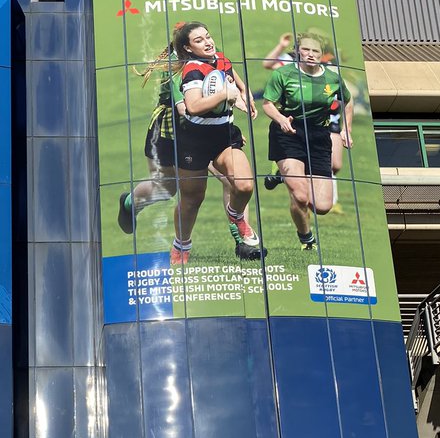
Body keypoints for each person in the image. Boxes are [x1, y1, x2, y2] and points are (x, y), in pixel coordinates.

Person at [116, 22, 264, 266]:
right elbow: (186, 108)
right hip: (173, 129)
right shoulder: (178, 69)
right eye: (198, 39)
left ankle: (242, 242)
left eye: (207, 36)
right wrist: (220, 105)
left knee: (233, 181)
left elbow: (234, 80)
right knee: (168, 189)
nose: (206, 42)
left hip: (207, 127)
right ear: (184, 46)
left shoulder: (216, 58)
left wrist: (240, 101)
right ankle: (131, 203)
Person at [260, 31, 353, 251]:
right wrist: (281, 119)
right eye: (306, 50)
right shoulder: (283, 73)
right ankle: (306, 237)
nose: (310, 55)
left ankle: (282, 177)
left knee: (322, 206)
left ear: (322, 54)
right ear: (298, 51)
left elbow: (347, 102)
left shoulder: (332, 78)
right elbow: (267, 103)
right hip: (289, 131)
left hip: (319, 136)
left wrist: (347, 130)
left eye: (315, 51)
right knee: (300, 196)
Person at [261, 29, 345, 191]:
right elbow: (267, 64)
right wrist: (281, 46)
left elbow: (342, 91)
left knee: (336, 165)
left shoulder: (328, 65)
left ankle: (300, 181)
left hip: (328, 115)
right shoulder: (292, 63)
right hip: (297, 117)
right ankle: (286, 173)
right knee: (304, 167)